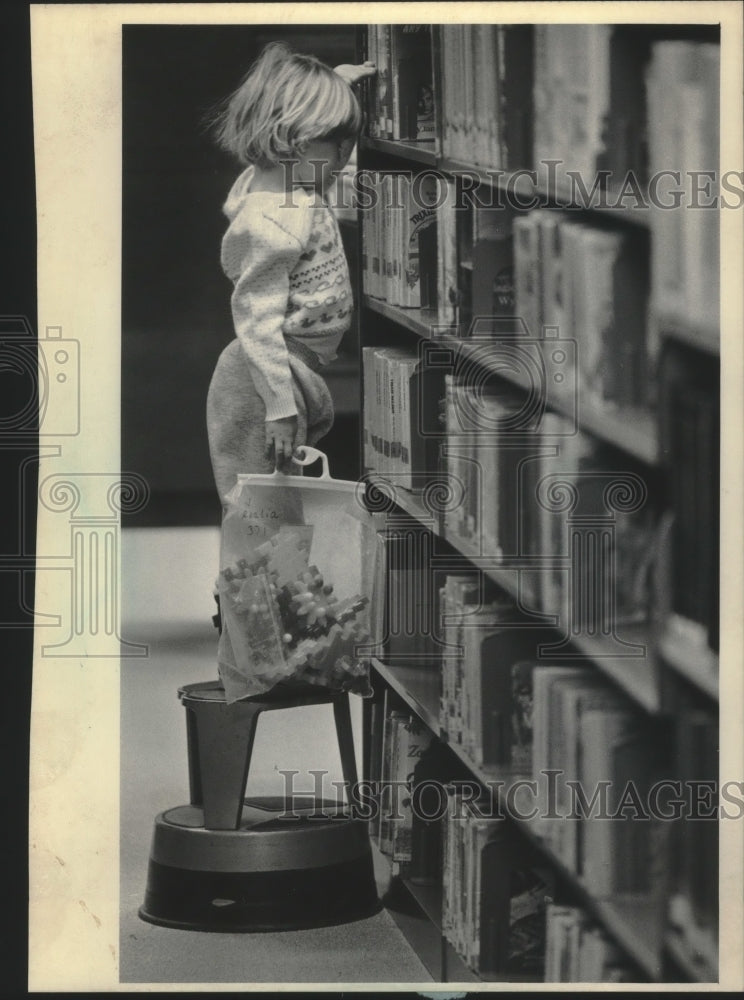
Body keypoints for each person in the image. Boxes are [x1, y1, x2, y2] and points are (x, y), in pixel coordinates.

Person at [206, 42, 376, 502]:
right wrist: (279, 406)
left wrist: (334, 88)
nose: (344, 163)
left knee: (277, 508)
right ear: (297, 139)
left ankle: (279, 577)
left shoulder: (291, 182)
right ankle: (260, 579)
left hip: (291, 366)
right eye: (338, 150)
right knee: (259, 513)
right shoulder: (271, 219)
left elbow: (315, 160)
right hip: (262, 377)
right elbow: (255, 319)